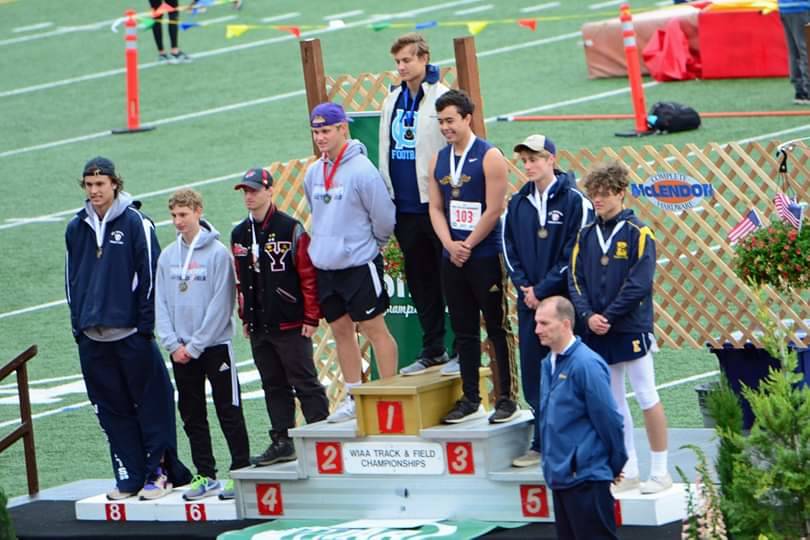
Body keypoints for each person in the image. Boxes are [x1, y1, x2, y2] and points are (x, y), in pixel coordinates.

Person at [65, 156, 191, 501]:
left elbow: (151, 274)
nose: (94, 191)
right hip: (92, 337)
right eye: (89, 185)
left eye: (100, 184)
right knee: (111, 410)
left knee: (153, 405)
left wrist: (144, 327)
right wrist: (78, 328)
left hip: (132, 334)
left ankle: (159, 473)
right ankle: (129, 475)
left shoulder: (137, 222)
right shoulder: (76, 227)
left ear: (114, 184)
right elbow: (71, 280)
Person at [569, 161, 672, 494]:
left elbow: (639, 283)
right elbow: (575, 280)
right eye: (593, 194)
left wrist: (609, 316)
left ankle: (660, 471)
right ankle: (627, 469)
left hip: (629, 327)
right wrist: (588, 316)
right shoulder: (585, 234)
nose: (597, 199)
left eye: (604, 193)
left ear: (620, 192)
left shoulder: (639, 233)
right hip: (596, 329)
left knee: (646, 394)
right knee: (612, 402)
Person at [428, 89, 519, 425]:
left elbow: (494, 209)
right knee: (463, 330)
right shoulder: (438, 159)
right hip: (452, 257)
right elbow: (435, 208)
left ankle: (507, 398)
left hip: (484, 254)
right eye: (441, 122)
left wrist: (466, 244)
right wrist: (449, 244)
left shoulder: (489, 156)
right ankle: (470, 398)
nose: (445, 127)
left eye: (450, 120)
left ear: (468, 118)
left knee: (496, 327)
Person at [502, 134, 593, 467]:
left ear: (551, 159)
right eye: (525, 160)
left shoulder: (575, 202)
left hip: (564, 303)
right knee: (534, 370)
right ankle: (541, 443)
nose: (529, 166)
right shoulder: (517, 203)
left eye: (535, 159)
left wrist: (543, 290)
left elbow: (575, 252)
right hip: (530, 304)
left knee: (569, 369)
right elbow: (508, 249)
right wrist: (526, 288)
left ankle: (577, 443)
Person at [305, 102, 398, 423]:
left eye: (326, 131)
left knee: (374, 329)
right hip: (326, 268)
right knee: (341, 330)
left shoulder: (362, 170)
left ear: (343, 128)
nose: (321, 137)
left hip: (359, 265)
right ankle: (354, 396)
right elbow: (318, 213)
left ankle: (389, 397)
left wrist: (372, 246)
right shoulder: (314, 172)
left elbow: (384, 217)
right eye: (316, 132)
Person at [155, 188, 250, 501]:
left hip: (214, 346)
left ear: (198, 211)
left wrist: (195, 346)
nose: (178, 221)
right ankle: (205, 474)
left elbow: (221, 305)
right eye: (174, 216)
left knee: (229, 410)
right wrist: (172, 344)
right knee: (192, 414)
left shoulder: (218, 254)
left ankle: (241, 471)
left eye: (183, 214)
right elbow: (160, 303)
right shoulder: (168, 256)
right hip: (180, 350)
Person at [232, 167, 330, 460]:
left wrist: (311, 316)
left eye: (254, 190)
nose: (249, 197)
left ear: (270, 191)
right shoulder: (239, 233)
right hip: (259, 324)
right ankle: (282, 441)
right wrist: (245, 317)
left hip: (290, 321)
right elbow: (240, 280)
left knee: (305, 382)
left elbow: (308, 275)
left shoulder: (290, 228)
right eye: (245, 191)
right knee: (273, 385)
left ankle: (322, 439)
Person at [378, 33, 457, 376]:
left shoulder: (441, 98)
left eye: (407, 60)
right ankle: (433, 347)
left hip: (436, 206)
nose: (401, 67)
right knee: (421, 281)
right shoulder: (392, 99)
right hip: (404, 208)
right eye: (397, 62)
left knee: (451, 279)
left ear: (424, 58)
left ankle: (461, 347)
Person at [535, 296, 626, 540]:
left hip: (586, 479)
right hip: (561, 478)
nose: (537, 330)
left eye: (544, 323)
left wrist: (614, 464)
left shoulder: (586, 364)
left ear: (566, 324)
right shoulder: (548, 364)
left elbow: (609, 420)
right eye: (537, 323)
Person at [777, 0, 810, 104]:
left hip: (785, 8)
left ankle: (800, 91)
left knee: (794, 52)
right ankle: (807, 90)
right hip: (802, 8)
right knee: (805, 50)